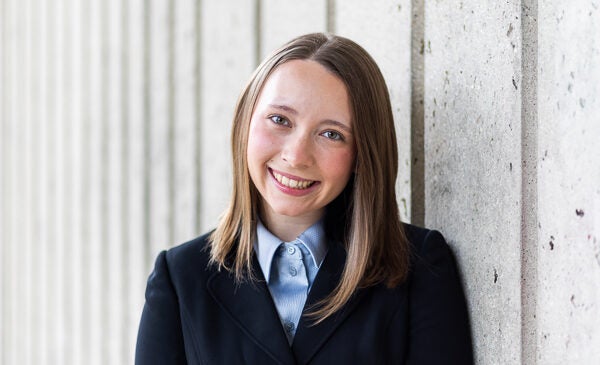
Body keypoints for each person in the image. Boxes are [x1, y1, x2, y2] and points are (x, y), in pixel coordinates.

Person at [135, 32, 473, 364]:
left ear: (362, 155)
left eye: (331, 134)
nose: (297, 156)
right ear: (244, 124)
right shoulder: (181, 278)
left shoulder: (419, 267)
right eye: (280, 120)